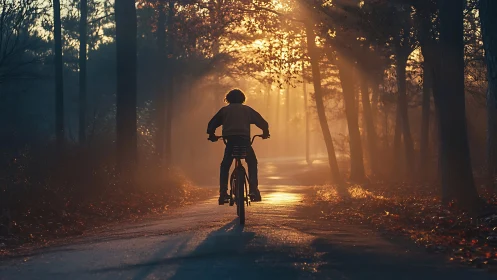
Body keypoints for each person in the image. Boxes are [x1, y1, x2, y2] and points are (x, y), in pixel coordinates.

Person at [207, 88, 270, 203]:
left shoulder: (224, 111)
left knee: (225, 165)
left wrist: (212, 134)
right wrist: (265, 132)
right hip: (244, 141)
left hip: (230, 141)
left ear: (228, 99)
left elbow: (212, 124)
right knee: (252, 162)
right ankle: (253, 190)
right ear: (243, 99)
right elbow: (262, 122)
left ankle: (223, 193)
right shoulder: (247, 110)